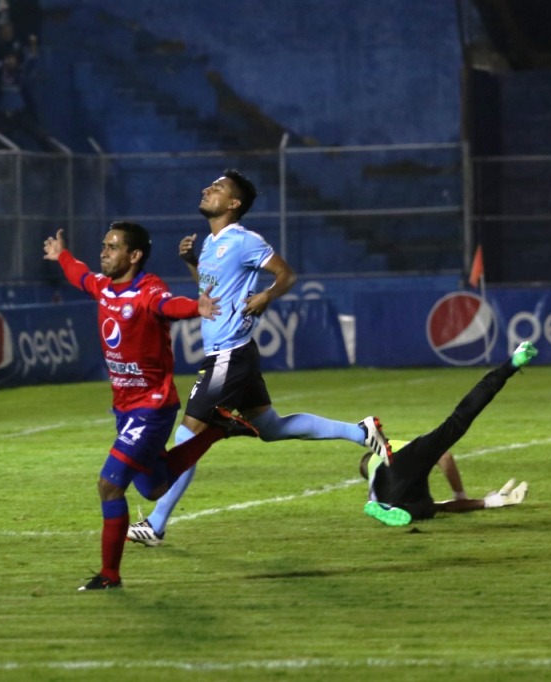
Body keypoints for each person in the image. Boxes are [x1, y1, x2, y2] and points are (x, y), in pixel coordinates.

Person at [127, 169, 392, 547]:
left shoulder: (244, 240)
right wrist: (191, 261)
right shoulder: (211, 243)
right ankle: (362, 432)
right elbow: (209, 291)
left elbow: (286, 275)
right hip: (234, 354)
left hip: (229, 354)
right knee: (270, 427)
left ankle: (155, 525)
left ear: (233, 203)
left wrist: (267, 295)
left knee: (186, 437)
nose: (207, 189)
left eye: (217, 188)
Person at [43, 223, 258, 591]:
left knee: (110, 485)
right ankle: (218, 429)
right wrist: (61, 255)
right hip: (125, 409)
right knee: (153, 487)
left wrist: (196, 307)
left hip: (152, 408)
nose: (104, 252)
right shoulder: (104, 287)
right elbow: (79, 275)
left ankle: (110, 575)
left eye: (112, 247)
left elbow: (168, 305)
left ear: (134, 255)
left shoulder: (147, 290)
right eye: (104, 245)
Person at [361, 342, 538, 527]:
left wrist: (491, 501)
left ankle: (394, 509)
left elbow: (440, 504)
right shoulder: (385, 449)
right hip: (401, 459)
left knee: (425, 508)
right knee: (459, 418)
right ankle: (512, 363)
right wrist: (460, 496)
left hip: (387, 498)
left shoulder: (375, 486)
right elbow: (444, 458)